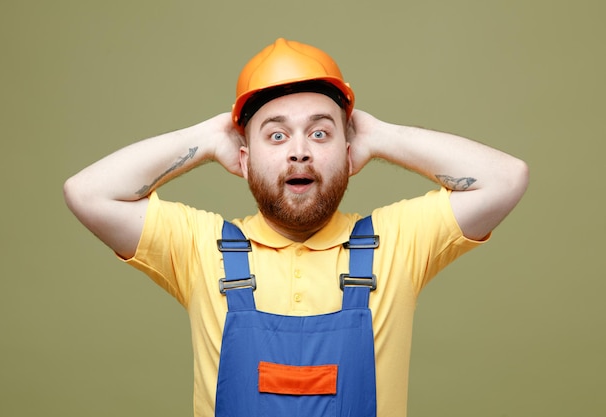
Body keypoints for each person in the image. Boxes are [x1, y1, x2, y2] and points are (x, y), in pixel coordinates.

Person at [64, 38, 529, 417]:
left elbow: (505, 179)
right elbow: (87, 193)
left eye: (322, 132)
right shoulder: (199, 248)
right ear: (243, 160)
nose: (300, 151)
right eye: (276, 135)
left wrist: (381, 136)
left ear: (350, 151)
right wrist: (206, 139)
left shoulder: (398, 242)